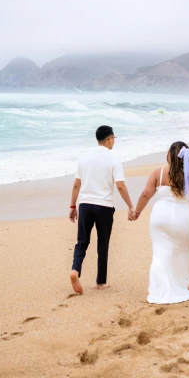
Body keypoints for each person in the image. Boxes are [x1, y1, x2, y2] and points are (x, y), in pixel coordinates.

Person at [131, 141, 189, 305]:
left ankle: (159, 290)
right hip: (185, 220)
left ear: (169, 155)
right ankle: (178, 286)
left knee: (160, 254)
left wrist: (137, 212)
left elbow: (145, 193)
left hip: (160, 218)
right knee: (181, 253)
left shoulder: (159, 172)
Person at [69, 125, 135, 295]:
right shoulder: (114, 159)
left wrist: (72, 206)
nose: (114, 142)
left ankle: (75, 270)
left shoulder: (84, 158)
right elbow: (120, 186)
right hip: (104, 206)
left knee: (82, 242)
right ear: (109, 139)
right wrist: (130, 205)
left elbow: (77, 184)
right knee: (102, 244)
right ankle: (101, 282)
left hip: (85, 204)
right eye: (114, 139)